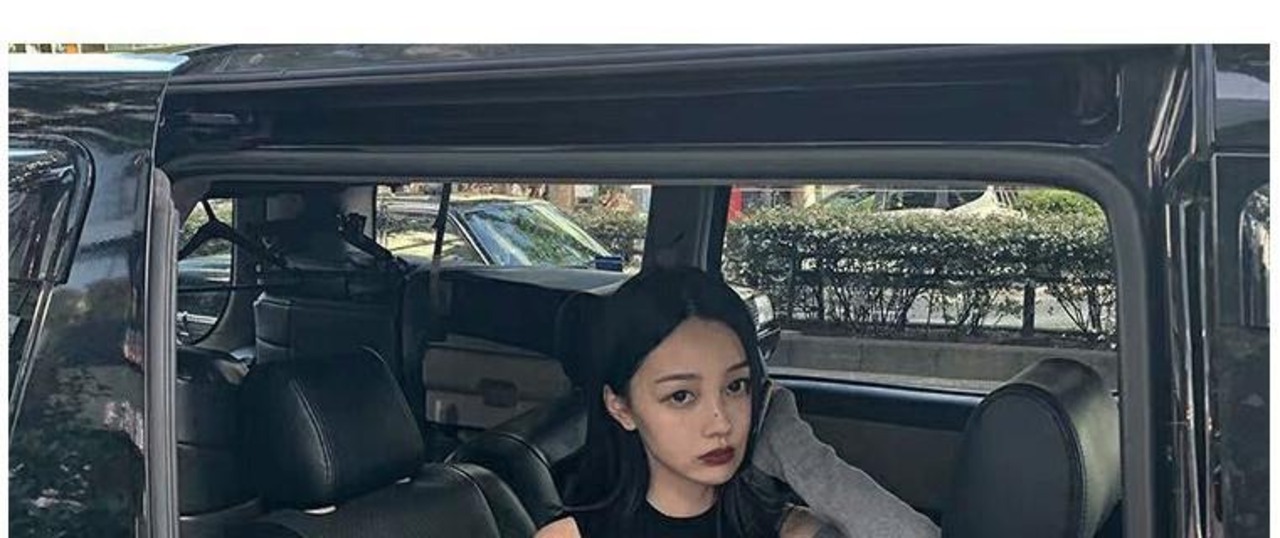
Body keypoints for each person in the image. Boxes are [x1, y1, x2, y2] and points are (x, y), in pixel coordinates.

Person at [536, 267, 939, 538]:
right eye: (681, 396)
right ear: (621, 407)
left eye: (736, 387)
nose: (721, 423)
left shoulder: (786, 528)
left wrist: (786, 441)